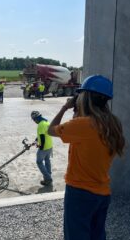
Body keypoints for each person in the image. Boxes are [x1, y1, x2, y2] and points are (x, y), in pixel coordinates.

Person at [48, 75, 125, 240]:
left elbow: (51, 129)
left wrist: (65, 107)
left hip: (80, 193)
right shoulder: (113, 123)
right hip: (103, 192)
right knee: (97, 236)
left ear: (85, 97)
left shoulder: (83, 125)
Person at [31, 111, 53, 186]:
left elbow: (42, 137)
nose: (34, 122)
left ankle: (48, 178)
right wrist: (36, 141)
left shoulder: (40, 125)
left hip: (44, 147)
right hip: (50, 146)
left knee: (39, 162)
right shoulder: (46, 122)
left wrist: (40, 147)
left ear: (35, 119)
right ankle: (49, 175)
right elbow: (41, 135)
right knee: (47, 161)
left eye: (34, 120)